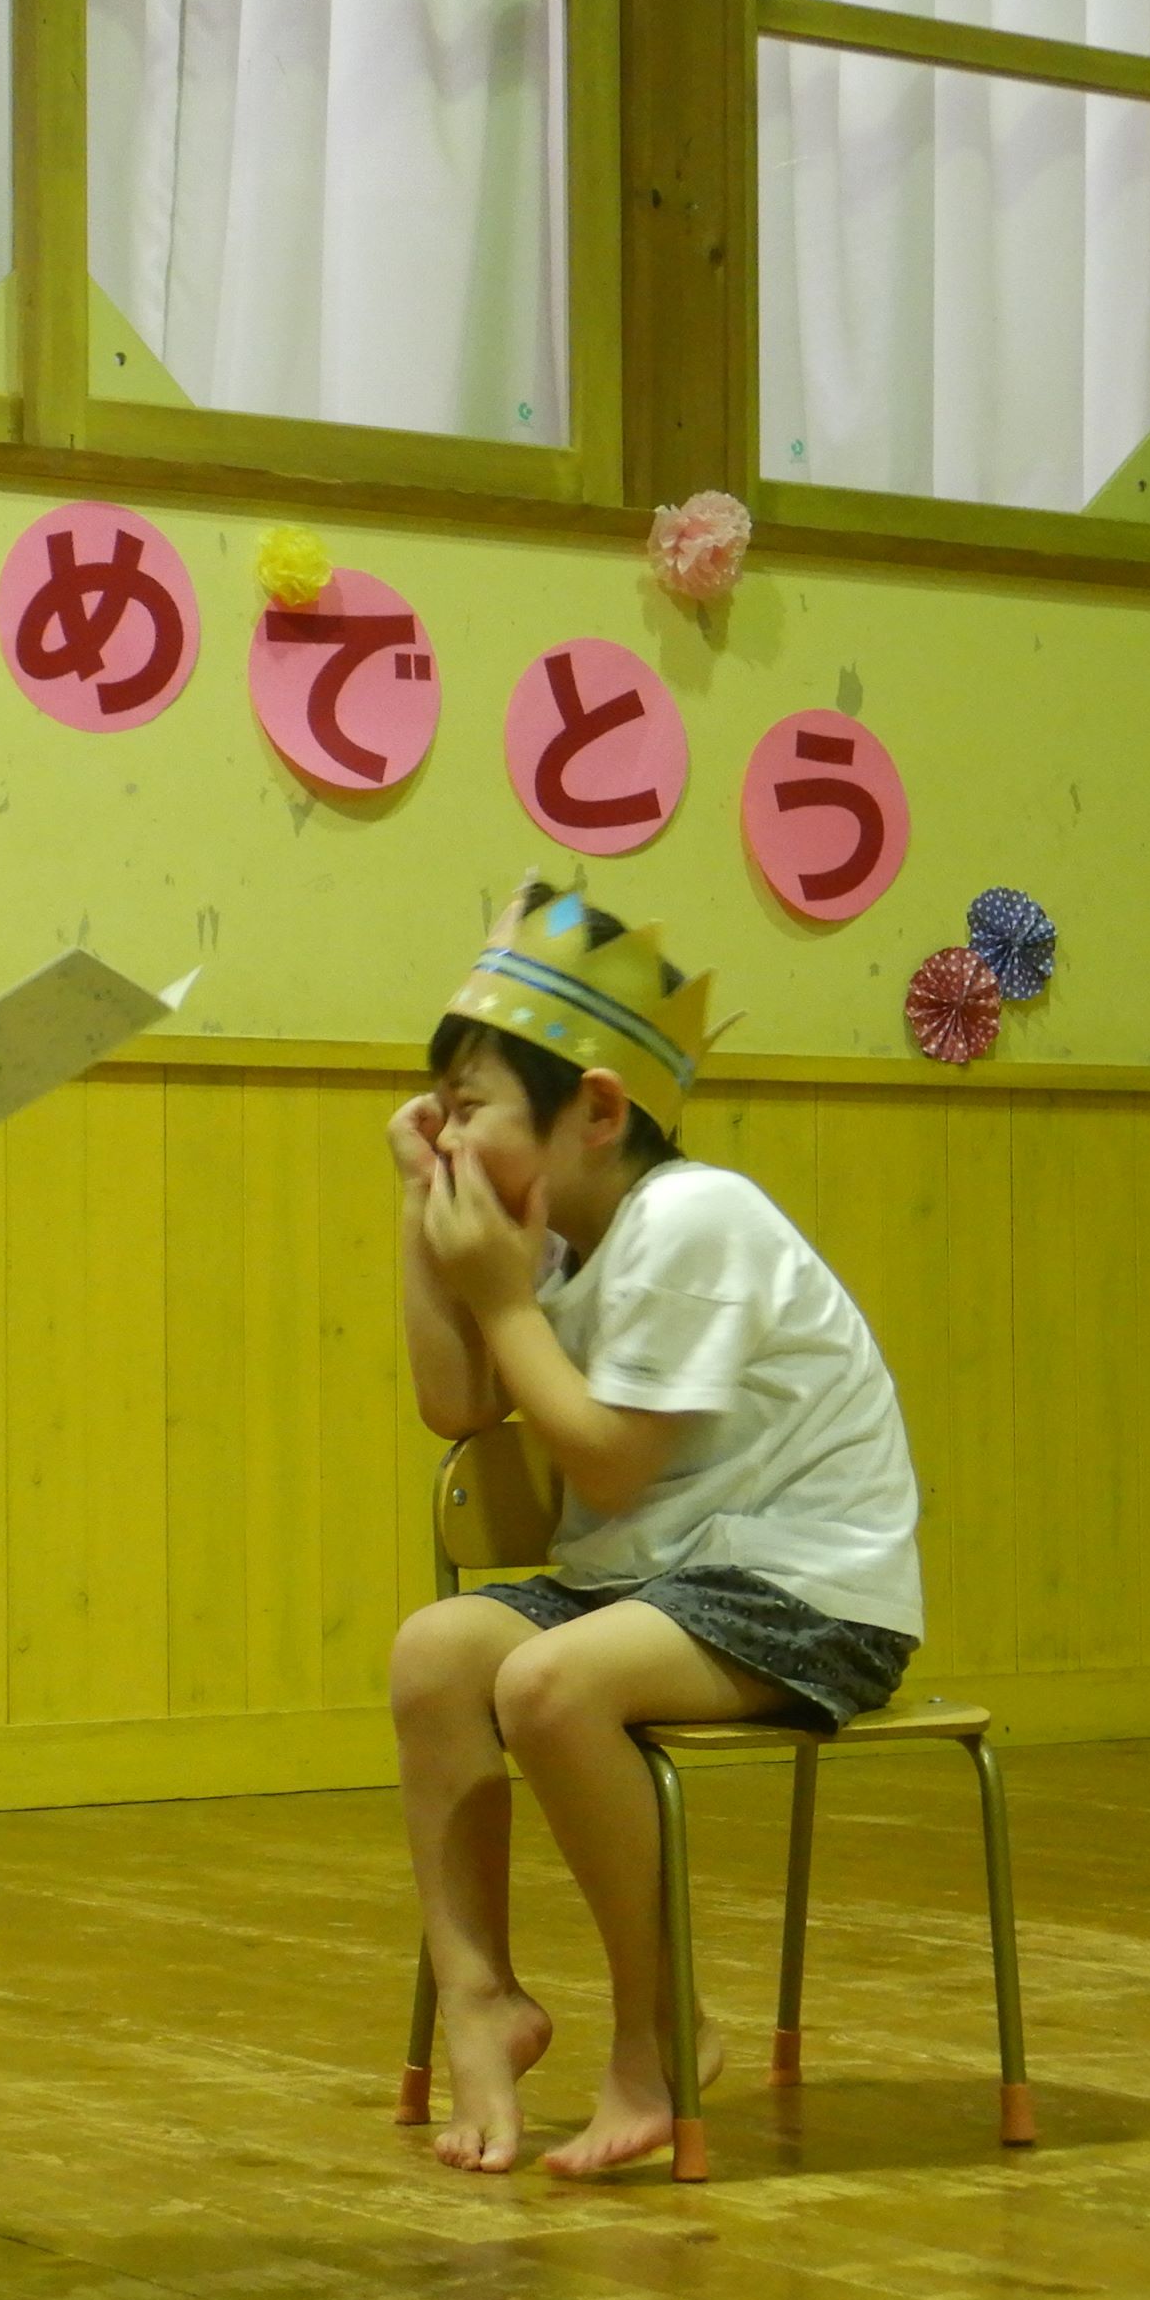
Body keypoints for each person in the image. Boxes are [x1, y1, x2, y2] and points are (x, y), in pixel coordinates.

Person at [385, 885, 924, 2176]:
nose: (447, 1134)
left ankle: (661, 2025)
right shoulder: (556, 1246)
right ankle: (480, 1997)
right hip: (650, 1589)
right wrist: (422, 1215)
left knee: (548, 1683)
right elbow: (456, 1406)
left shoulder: (694, 1215)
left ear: (598, 1109)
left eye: (469, 1107)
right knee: (433, 1654)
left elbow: (613, 1468)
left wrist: (501, 1299)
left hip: (804, 1595)